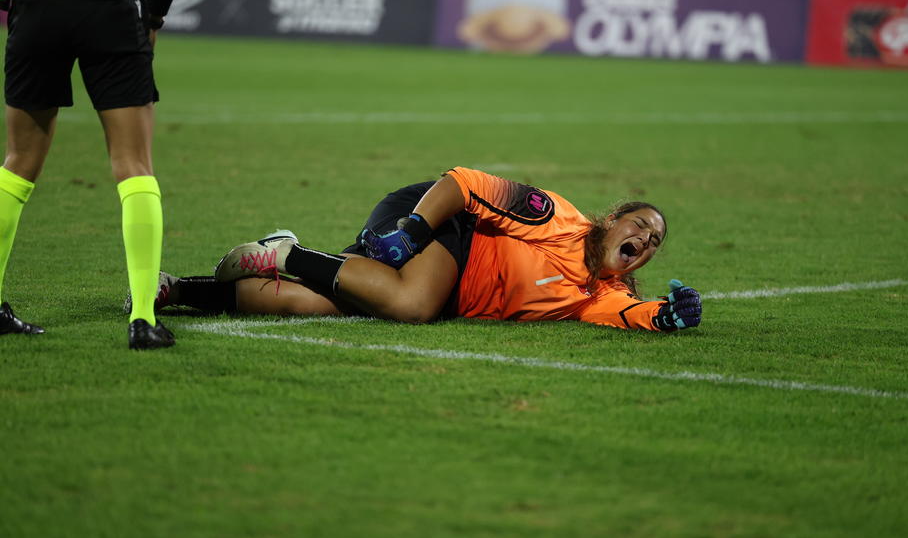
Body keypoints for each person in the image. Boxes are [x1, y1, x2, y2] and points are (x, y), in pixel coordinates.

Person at [146, 168, 702, 333]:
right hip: (440, 223)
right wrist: (414, 230)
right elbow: (463, 183)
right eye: (640, 225)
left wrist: (668, 315)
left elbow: (631, 314)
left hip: (441, 278)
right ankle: (289, 254)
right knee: (413, 305)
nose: (646, 239)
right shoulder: (553, 217)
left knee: (309, 303)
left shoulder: (600, 295)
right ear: (612, 221)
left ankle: (175, 290)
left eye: (655, 241)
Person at [0, 0, 183, 348]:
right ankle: (143, 321)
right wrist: (153, 17)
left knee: (17, 163)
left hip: (37, 0)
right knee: (134, 165)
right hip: (108, 5)